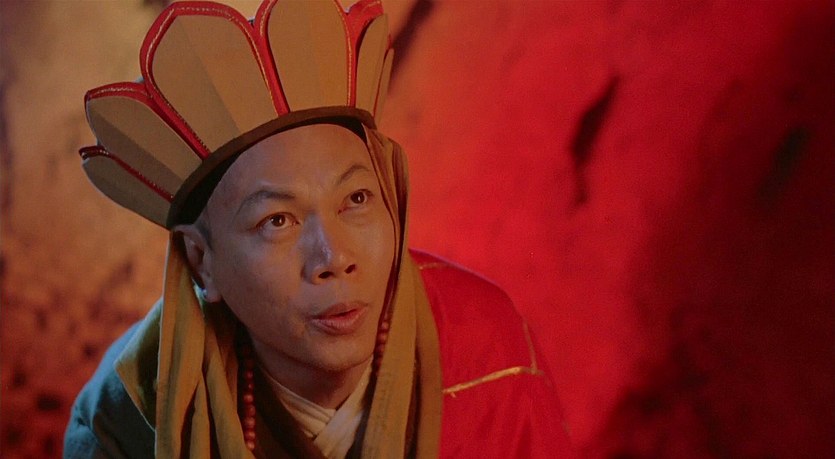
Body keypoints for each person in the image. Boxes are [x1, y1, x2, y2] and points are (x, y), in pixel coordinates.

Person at [64, 0, 575, 457]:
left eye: (357, 199)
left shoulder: (489, 347)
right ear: (202, 262)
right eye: (277, 221)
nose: (334, 258)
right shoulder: (129, 411)